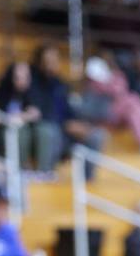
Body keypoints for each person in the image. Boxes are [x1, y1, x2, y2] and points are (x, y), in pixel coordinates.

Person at [30, 44, 107, 178]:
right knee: (51, 131)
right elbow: (40, 112)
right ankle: (46, 174)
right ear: (40, 62)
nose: (52, 64)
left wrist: (80, 124)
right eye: (48, 60)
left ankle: (88, 180)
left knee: (96, 135)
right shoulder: (33, 84)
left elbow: (68, 110)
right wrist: (66, 125)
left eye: (55, 60)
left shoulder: (61, 85)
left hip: (66, 129)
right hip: (48, 129)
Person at [0, 61, 51, 173]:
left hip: (29, 129)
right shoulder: (4, 90)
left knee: (44, 131)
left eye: (25, 77)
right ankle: (17, 169)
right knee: (18, 132)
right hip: (5, 128)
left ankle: (42, 170)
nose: (21, 81)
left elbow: (35, 113)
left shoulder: (34, 90)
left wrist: (20, 117)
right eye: (17, 77)